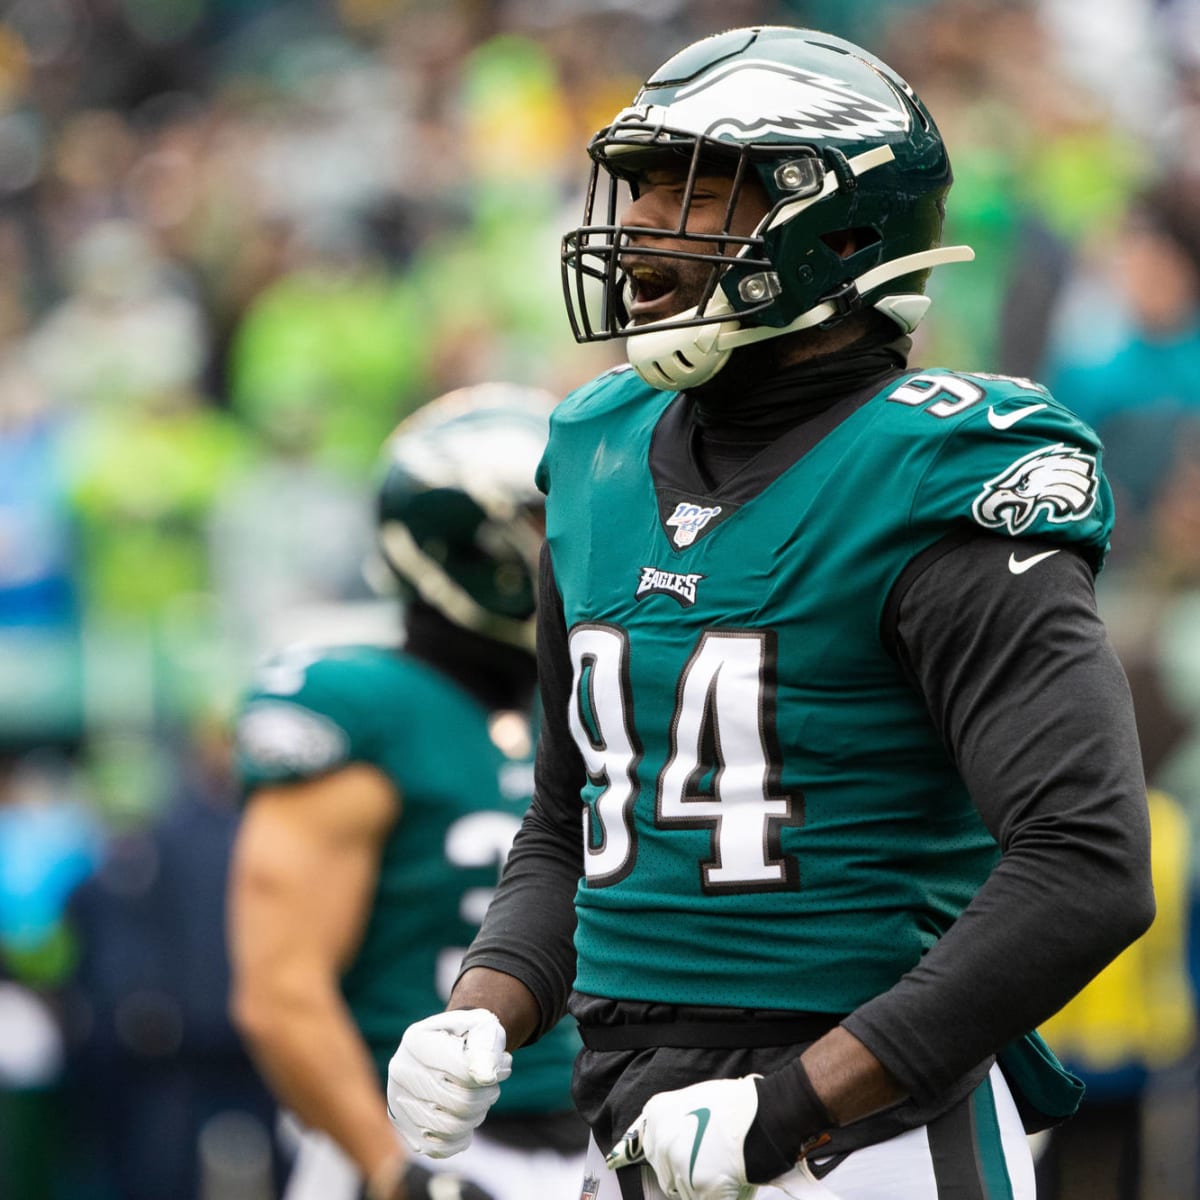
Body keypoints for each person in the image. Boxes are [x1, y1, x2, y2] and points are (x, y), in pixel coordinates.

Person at [383, 26, 1155, 1200]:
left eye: (690, 192)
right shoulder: (596, 450)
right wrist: (485, 1005)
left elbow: (1086, 864)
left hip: (869, 1140)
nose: (638, 227)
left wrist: (787, 1105)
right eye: (635, 186)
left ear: (839, 230)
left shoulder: (939, 469)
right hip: (636, 1126)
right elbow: (570, 819)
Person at [226, 384, 588, 1200]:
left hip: (589, 1133)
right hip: (411, 1144)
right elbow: (280, 992)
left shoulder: (581, 696)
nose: (571, 540)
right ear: (469, 538)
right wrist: (393, 1172)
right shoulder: (360, 709)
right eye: (542, 520)